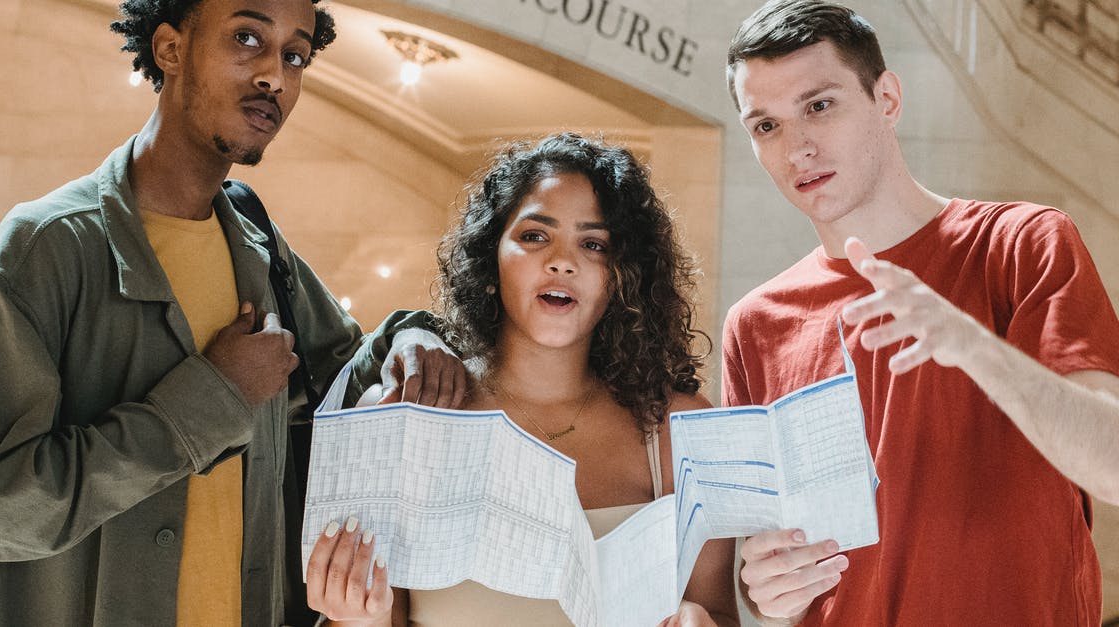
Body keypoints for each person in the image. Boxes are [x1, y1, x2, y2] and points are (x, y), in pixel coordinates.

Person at [0, 0, 465, 625]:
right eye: (246, 38)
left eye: (295, 55)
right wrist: (212, 398)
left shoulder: (258, 246)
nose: (275, 78)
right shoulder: (48, 247)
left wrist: (416, 338)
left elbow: (344, 379)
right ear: (170, 49)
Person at [721, 1, 1119, 625]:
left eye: (818, 106)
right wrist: (767, 590)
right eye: (765, 126)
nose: (796, 146)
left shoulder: (1020, 243)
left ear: (887, 99)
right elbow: (770, 571)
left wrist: (974, 346)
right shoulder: (755, 324)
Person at [302, 133, 741, 626]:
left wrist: (698, 621)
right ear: (492, 256)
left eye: (593, 244)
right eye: (535, 236)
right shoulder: (407, 415)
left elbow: (720, 612)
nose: (562, 261)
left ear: (622, 277)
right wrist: (356, 615)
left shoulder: (679, 429)